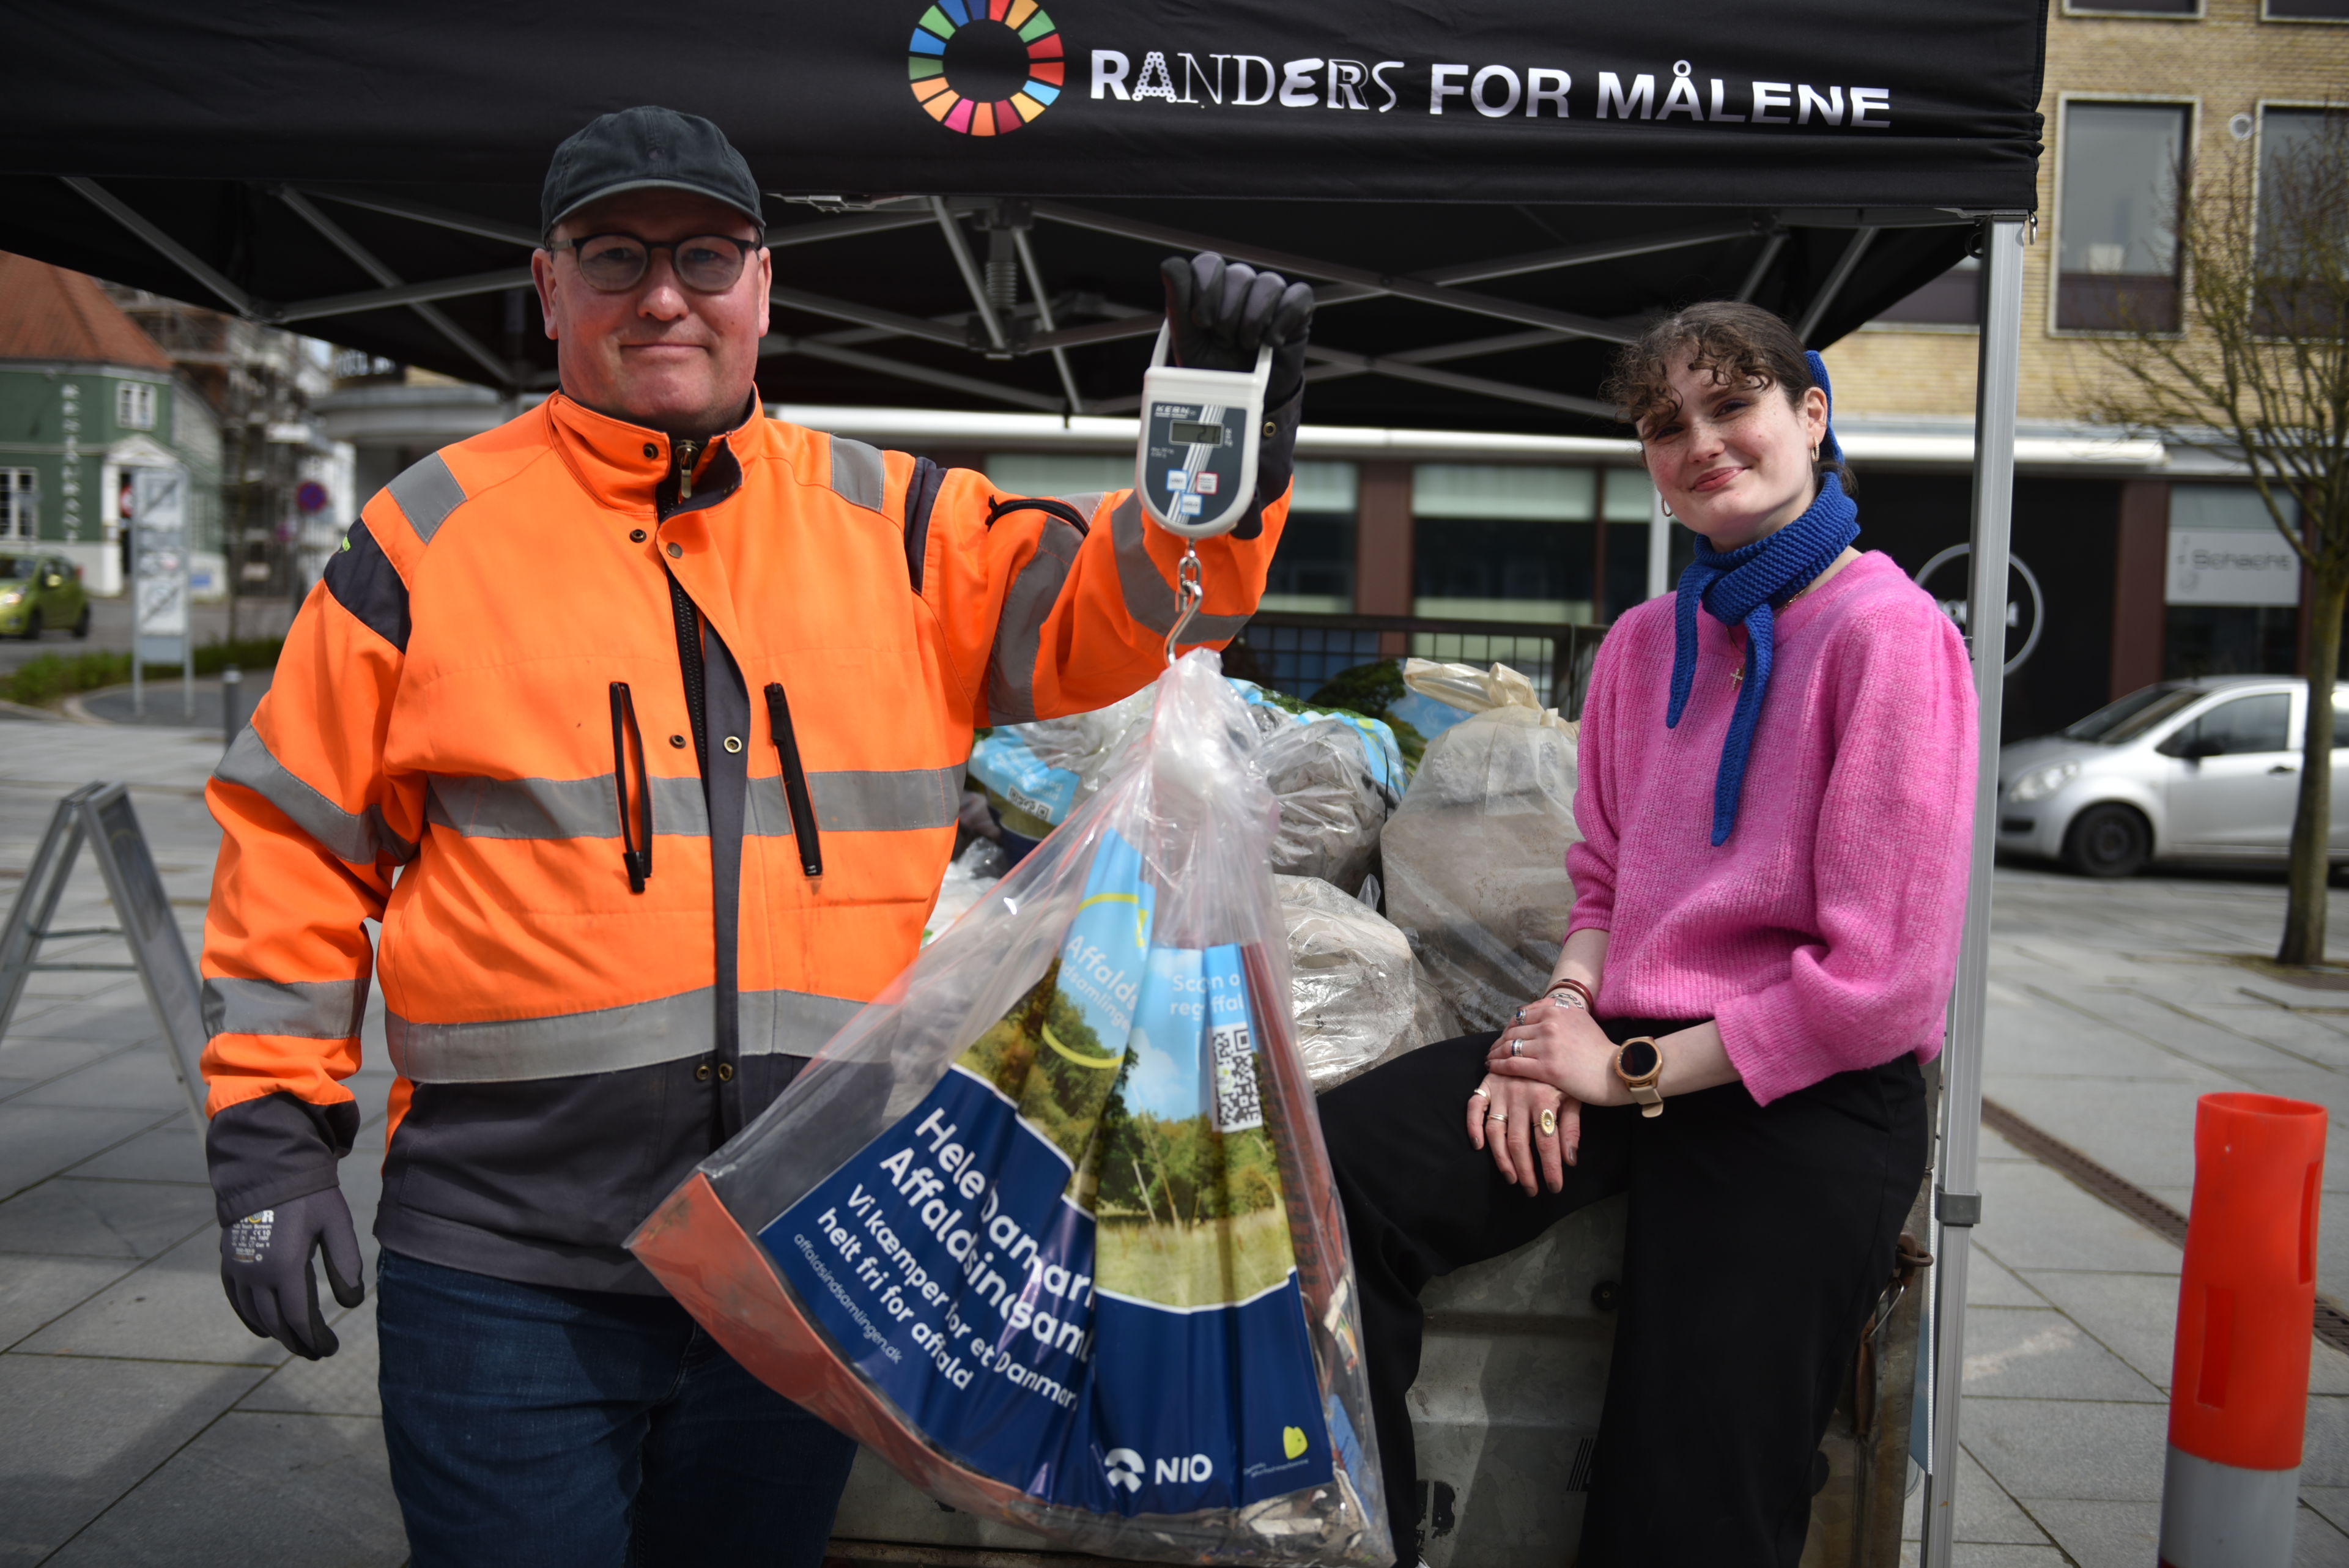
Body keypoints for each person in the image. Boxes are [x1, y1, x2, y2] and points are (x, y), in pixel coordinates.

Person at [196, 105, 1313, 1567]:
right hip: (506, 1264)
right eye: (615, 256)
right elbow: (291, 841)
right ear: (549, 288)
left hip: (802, 1254)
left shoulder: (902, 525)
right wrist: (271, 1139)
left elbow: (1139, 613)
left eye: (705, 257)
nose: (664, 294)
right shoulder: (424, 540)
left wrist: (1217, 461)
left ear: (763, 286)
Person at [1319, 300, 1975, 1566]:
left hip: (1807, 1086)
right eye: (1667, 425)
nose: (1701, 443)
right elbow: (1606, 883)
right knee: (1337, 1174)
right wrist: (1560, 1015)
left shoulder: (1890, 636)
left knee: (1683, 1507)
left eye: (1732, 406)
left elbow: (1882, 986)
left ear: (1811, 416)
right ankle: (1364, 1539)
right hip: (1627, 1037)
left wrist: (1621, 1073)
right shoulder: (1641, 645)